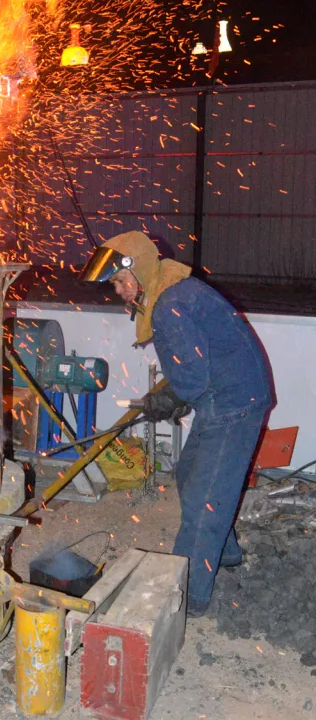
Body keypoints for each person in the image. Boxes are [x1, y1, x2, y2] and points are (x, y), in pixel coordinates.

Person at [80, 231, 272, 616]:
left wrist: (165, 399)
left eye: (119, 282)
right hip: (225, 393)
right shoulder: (169, 290)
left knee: (204, 500)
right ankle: (226, 554)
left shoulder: (171, 306)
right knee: (189, 474)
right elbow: (194, 363)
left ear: (138, 271)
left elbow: (192, 381)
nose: (117, 291)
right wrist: (168, 394)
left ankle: (188, 599)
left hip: (234, 402)